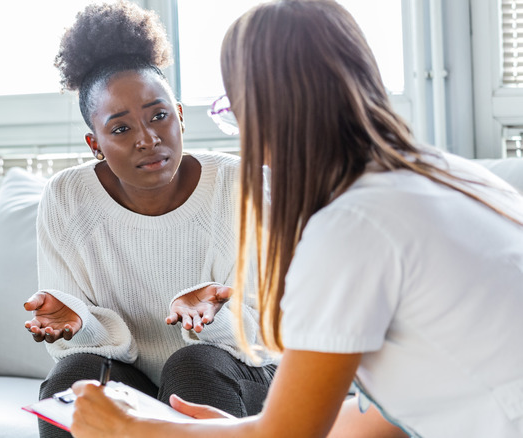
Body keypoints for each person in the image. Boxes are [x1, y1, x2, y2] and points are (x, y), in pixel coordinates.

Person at [68, 0, 523, 437]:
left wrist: (132, 430)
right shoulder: (444, 174)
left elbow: (287, 434)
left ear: (266, 115)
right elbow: (388, 417)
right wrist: (229, 430)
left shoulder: (351, 228)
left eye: (237, 112)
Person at [22, 2, 277, 437]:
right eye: (120, 129)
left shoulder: (244, 184)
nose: (148, 139)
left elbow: (267, 336)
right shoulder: (66, 197)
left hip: (242, 372)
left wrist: (214, 316)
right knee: (75, 380)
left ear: (179, 115)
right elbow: (79, 344)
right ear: (94, 143)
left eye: (159, 116)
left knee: (192, 365)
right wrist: (79, 325)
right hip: (134, 377)